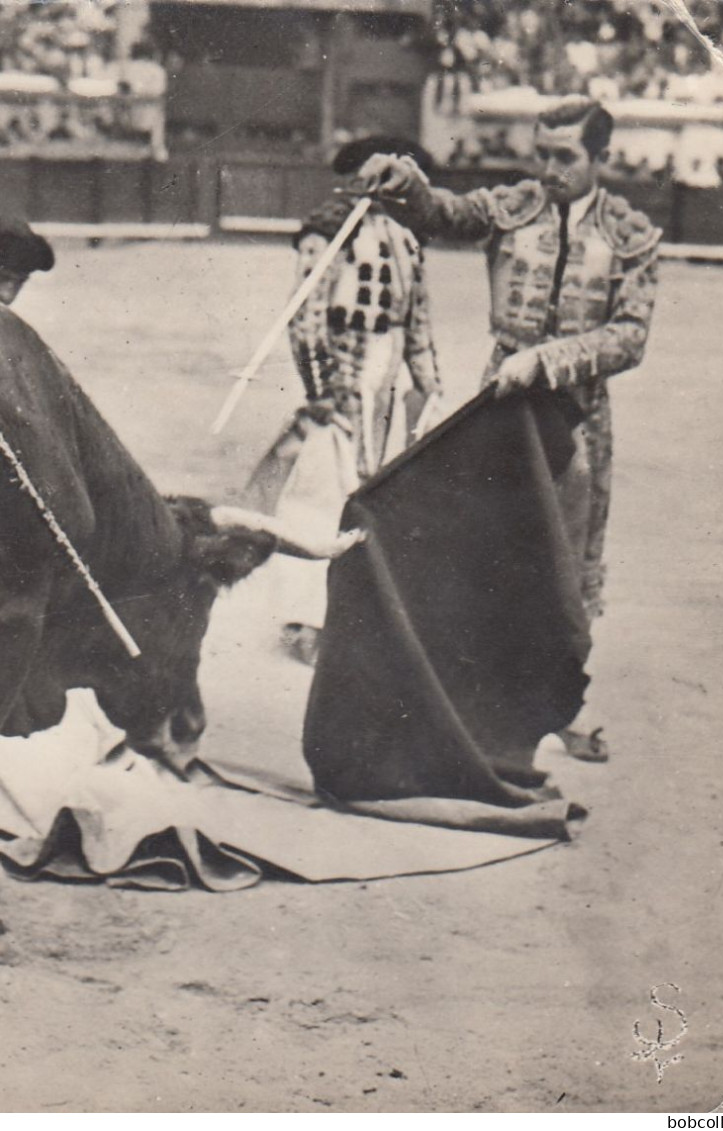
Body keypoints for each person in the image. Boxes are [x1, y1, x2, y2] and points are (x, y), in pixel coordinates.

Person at [357, 96, 661, 763]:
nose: (548, 170)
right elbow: (444, 215)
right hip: (500, 407)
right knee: (488, 552)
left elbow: (631, 337)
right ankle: (486, 704)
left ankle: (565, 706)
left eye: (565, 157)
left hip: (577, 415)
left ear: (601, 159)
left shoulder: (630, 233)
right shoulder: (513, 206)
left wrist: (548, 359)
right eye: (541, 154)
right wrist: (405, 183)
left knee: (568, 562)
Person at [247, 136, 444, 667]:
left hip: (385, 384)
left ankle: (354, 615)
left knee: (374, 494)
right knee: (316, 497)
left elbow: (416, 324)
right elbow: (307, 321)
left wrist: (429, 387)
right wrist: (324, 393)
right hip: (342, 381)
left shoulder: (407, 240)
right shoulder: (326, 233)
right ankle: (302, 621)